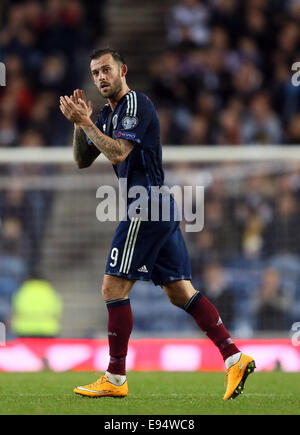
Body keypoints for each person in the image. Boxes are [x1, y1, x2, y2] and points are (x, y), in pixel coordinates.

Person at [59, 48, 255, 400]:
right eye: (95, 73)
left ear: (123, 71)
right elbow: (82, 161)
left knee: (112, 289)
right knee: (180, 291)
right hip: (158, 206)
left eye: (107, 70)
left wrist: (87, 124)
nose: (101, 77)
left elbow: (118, 153)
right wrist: (80, 124)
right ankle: (234, 357)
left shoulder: (135, 104)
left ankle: (115, 377)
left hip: (146, 204)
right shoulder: (106, 114)